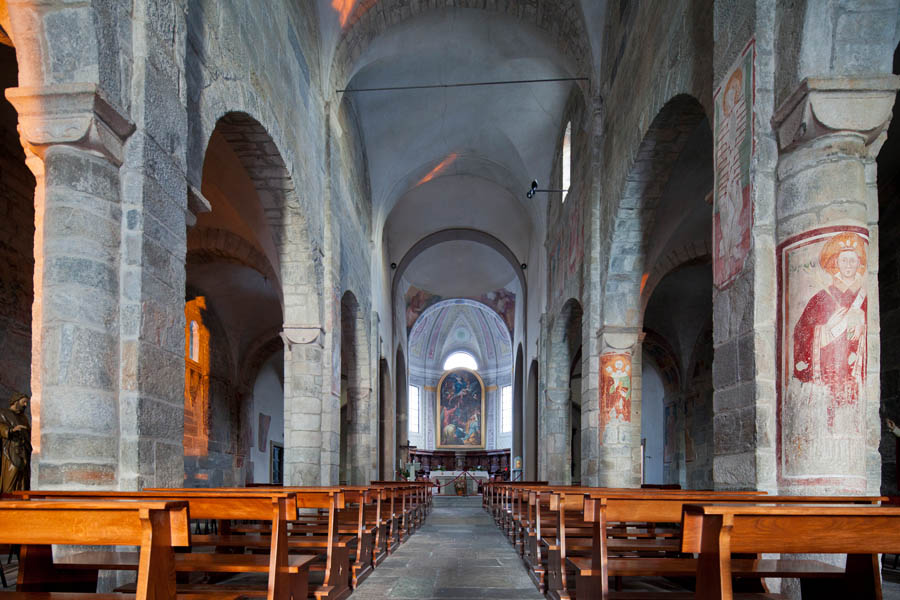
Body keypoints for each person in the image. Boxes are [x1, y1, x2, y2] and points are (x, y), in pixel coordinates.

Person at [792, 232, 867, 429]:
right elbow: (800, 333)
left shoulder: (864, 298)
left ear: (859, 264)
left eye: (853, 260)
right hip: (826, 379)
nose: (849, 265)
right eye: (844, 260)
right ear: (836, 264)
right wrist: (825, 331)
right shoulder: (820, 298)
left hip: (852, 380)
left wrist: (859, 328)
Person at [0, 392, 31, 493]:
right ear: (16, 401)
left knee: (23, 480)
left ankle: (22, 503)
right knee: (11, 475)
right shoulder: (4, 413)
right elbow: (1, 426)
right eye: (24, 402)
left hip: (23, 451)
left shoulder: (23, 418)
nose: (26, 405)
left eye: (27, 402)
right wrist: (11, 430)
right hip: (11, 450)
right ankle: (8, 503)